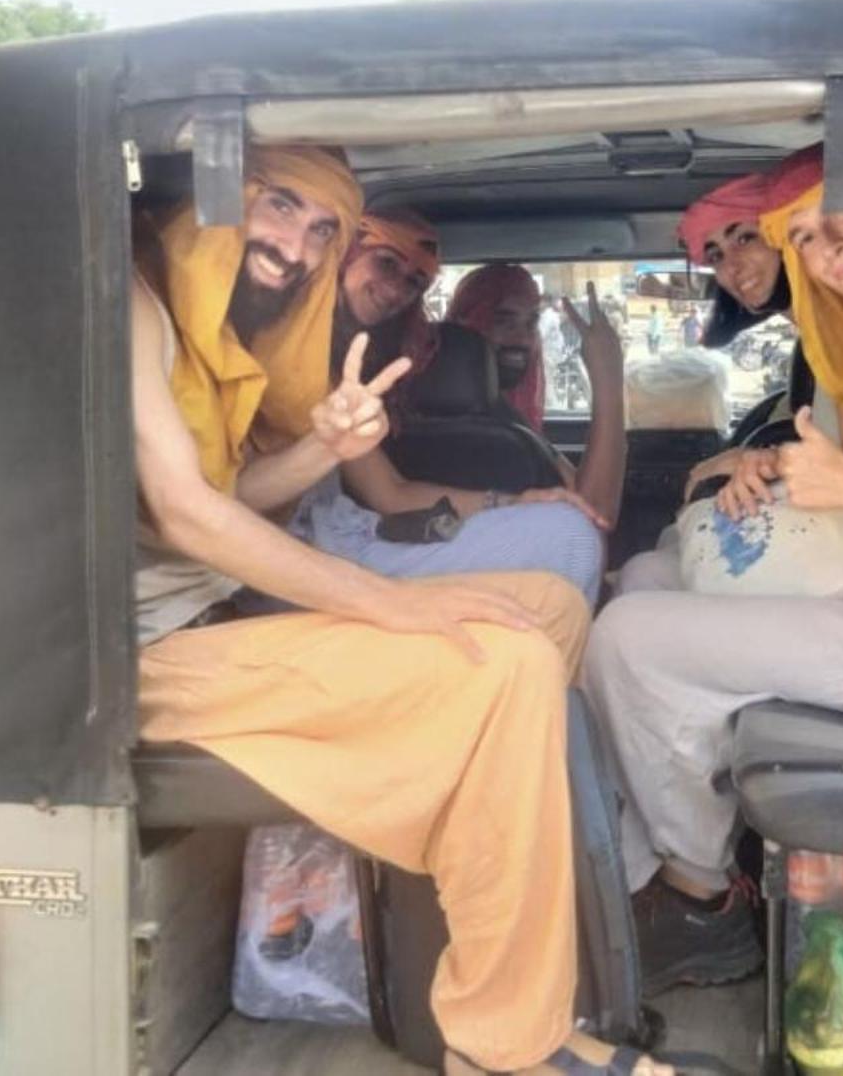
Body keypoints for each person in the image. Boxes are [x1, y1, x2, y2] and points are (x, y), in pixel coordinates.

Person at [129, 145, 672, 1076]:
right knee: (501, 663)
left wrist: (319, 449)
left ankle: (534, 905)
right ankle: (506, 1046)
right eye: (279, 206)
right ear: (225, 196)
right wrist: (388, 604)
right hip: (139, 658)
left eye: (321, 230)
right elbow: (186, 514)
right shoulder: (133, 305)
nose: (296, 244)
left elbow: (240, 491)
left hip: (221, 623)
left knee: (539, 606)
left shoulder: (234, 335)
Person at [584, 146, 843, 998]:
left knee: (627, 635)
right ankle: (656, 865)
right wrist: (775, 469)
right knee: (648, 580)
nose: (824, 250)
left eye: (842, 218)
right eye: (799, 236)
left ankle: (698, 901)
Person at [282, 208, 607, 605]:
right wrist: (609, 381)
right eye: (386, 263)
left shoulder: (338, 373)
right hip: (316, 552)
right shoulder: (290, 357)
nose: (397, 289)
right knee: (571, 535)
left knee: (568, 528)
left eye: (415, 282)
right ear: (343, 255)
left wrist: (511, 502)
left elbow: (391, 494)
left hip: (351, 535)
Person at [612, 168, 795, 597]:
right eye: (714, 255)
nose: (730, 265)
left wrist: (755, 460)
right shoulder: (813, 347)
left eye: (744, 238)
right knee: (640, 573)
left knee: (626, 619)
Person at [446, 264, 628, 526]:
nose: (522, 338)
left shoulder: (505, 417)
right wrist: (608, 379)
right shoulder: (502, 430)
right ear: (465, 326)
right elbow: (596, 515)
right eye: (502, 321)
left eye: (531, 323)